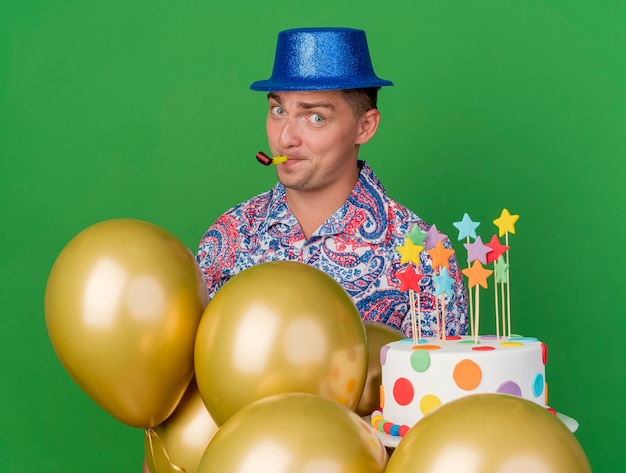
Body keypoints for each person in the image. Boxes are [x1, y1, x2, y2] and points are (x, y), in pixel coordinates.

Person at [197, 27, 468, 337]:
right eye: (278, 110)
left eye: (315, 118)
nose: (285, 139)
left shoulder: (425, 257)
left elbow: (435, 382)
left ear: (365, 127)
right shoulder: (227, 239)